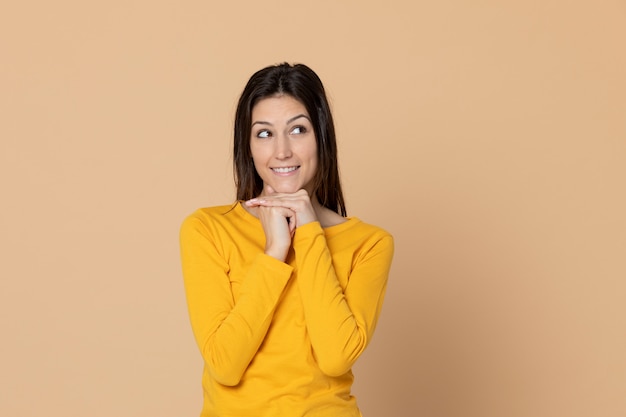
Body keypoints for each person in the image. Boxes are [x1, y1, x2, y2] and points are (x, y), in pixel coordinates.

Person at [179, 63, 394, 417]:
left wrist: (309, 233)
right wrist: (275, 252)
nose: (282, 151)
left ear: (321, 137)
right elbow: (224, 365)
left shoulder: (369, 243)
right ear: (247, 147)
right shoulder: (208, 229)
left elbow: (335, 356)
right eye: (264, 134)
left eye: (297, 130)